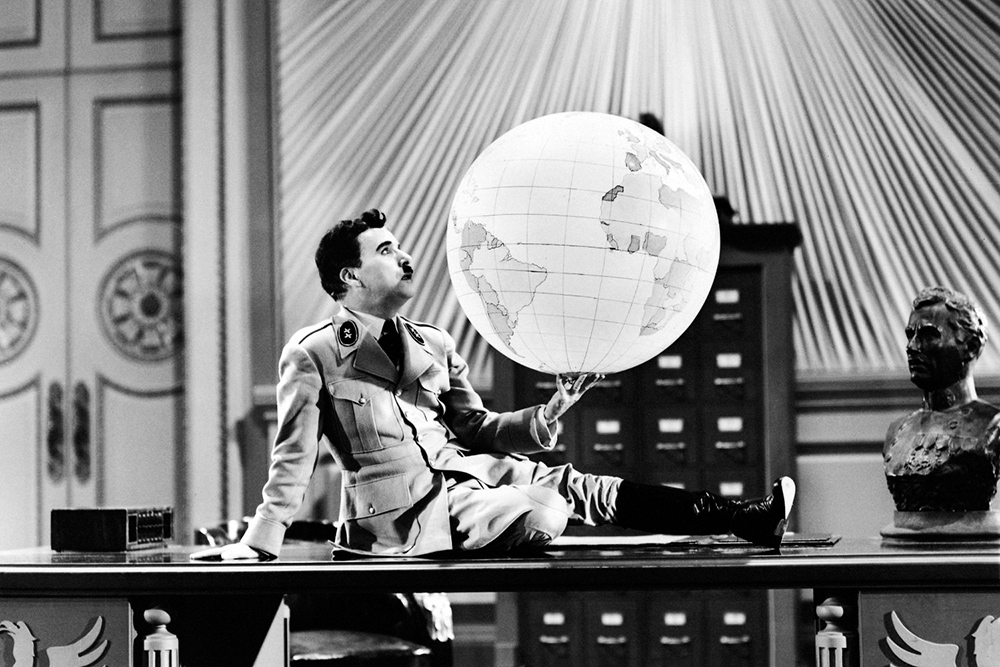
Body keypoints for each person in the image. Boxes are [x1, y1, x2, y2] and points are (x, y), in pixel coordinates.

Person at [192, 209, 795, 561]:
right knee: (544, 508)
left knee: (582, 487)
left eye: (401, 247)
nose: (406, 257)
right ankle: (527, 508)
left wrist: (545, 414)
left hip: (471, 476)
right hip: (403, 516)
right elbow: (292, 459)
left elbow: (475, 428)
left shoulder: (433, 343)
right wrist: (261, 543)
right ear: (350, 275)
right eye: (387, 251)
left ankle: (744, 517)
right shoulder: (315, 352)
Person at [884, 286, 1000, 511]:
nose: (911, 347)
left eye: (928, 336)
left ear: (970, 347)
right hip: (904, 532)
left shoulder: (993, 426)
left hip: (968, 533)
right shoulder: (897, 431)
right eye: (910, 335)